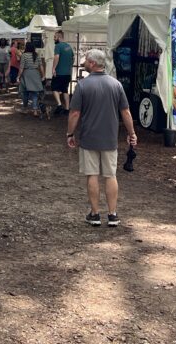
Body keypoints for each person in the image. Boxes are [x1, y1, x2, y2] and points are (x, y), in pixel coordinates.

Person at [66, 48, 137, 227]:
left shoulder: (82, 85)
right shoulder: (116, 85)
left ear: (92, 63)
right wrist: (131, 133)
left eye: (85, 61)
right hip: (110, 138)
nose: (84, 64)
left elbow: (75, 113)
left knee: (92, 175)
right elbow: (126, 112)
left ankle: (95, 213)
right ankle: (112, 214)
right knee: (110, 175)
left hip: (89, 137)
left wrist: (70, 133)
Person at [51, 30, 75, 116]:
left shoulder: (58, 46)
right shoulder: (68, 46)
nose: (54, 39)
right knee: (65, 90)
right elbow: (73, 58)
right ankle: (67, 109)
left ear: (59, 37)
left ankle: (59, 105)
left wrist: (53, 68)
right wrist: (69, 66)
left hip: (59, 73)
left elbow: (56, 57)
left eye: (55, 37)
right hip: (67, 73)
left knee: (54, 88)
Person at [18, 41, 44, 116]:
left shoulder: (24, 55)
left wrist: (18, 76)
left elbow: (21, 67)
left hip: (26, 74)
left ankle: (25, 108)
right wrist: (43, 75)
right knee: (35, 93)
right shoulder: (37, 55)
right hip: (35, 74)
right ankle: (35, 111)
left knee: (25, 92)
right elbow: (41, 66)